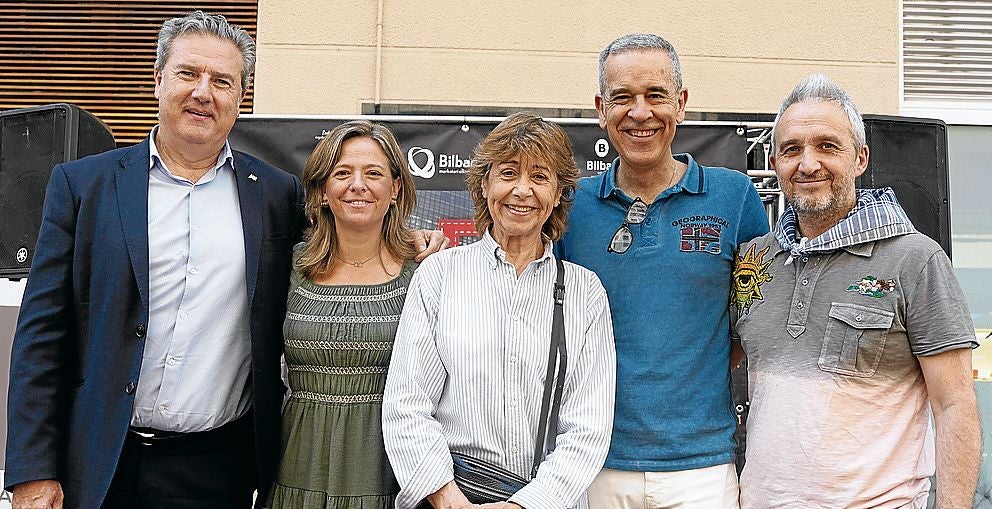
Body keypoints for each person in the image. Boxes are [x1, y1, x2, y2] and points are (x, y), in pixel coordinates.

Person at [3, 11, 448, 509]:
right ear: (158, 80)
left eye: (222, 81)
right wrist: (32, 470)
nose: (203, 92)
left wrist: (403, 240)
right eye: (189, 74)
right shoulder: (83, 187)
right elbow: (42, 338)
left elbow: (343, 238)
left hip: (220, 469)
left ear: (240, 97)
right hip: (100, 461)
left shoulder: (275, 196)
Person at [731, 74, 980, 508]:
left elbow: (955, 404)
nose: (808, 164)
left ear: (861, 157)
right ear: (774, 163)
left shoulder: (916, 260)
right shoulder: (755, 260)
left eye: (827, 146)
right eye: (792, 149)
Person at [556, 33, 768, 508]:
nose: (640, 112)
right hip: (591, 460)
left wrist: (696, 362)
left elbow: (752, 322)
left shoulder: (734, 197)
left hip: (704, 468)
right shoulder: (571, 206)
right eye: (622, 97)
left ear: (682, 103)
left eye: (655, 95)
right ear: (599, 108)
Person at [382, 113, 616, 509]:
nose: (522, 191)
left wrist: (524, 505)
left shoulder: (584, 291)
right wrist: (447, 498)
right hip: (450, 498)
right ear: (485, 184)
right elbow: (407, 402)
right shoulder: (440, 275)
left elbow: (588, 426)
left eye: (539, 177)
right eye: (508, 173)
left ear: (558, 194)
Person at [267, 120, 418, 508]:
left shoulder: (424, 270)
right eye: (342, 173)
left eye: (374, 173)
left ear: (396, 188)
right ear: (320, 191)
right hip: (299, 460)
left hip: (387, 464)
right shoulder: (289, 267)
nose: (358, 185)